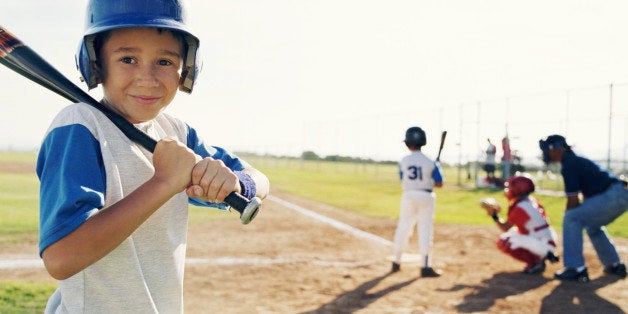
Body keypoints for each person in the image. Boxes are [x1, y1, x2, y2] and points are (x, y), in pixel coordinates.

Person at [36, 0, 270, 312]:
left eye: (164, 62)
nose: (147, 78)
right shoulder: (81, 126)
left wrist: (240, 183)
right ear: (95, 64)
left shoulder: (175, 132)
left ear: (186, 70)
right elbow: (61, 258)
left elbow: (260, 180)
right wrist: (163, 183)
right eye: (128, 58)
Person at [539, 134, 627, 282]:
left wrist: (569, 216)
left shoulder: (569, 164)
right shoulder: (575, 160)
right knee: (592, 225)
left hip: (613, 195)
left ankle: (576, 269)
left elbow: (573, 200)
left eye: (548, 150)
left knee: (571, 217)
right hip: (619, 194)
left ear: (558, 149)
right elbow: (586, 198)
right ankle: (614, 264)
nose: (546, 154)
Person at [391, 126, 444, 277]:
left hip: (408, 195)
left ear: (407, 143)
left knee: (403, 226)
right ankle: (425, 266)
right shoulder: (430, 162)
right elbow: (439, 184)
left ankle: (396, 261)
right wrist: (435, 169)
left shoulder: (403, 161)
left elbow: (403, 178)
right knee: (425, 230)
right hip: (426, 196)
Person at [482, 175, 560, 274]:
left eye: (510, 187)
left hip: (543, 242)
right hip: (546, 238)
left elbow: (506, 227)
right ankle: (545, 254)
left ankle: (537, 262)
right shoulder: (531, 200)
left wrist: (494, 215)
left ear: (518, 189)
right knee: (515, 232)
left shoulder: (521, 206)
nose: (508, 190)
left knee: (504, 241)